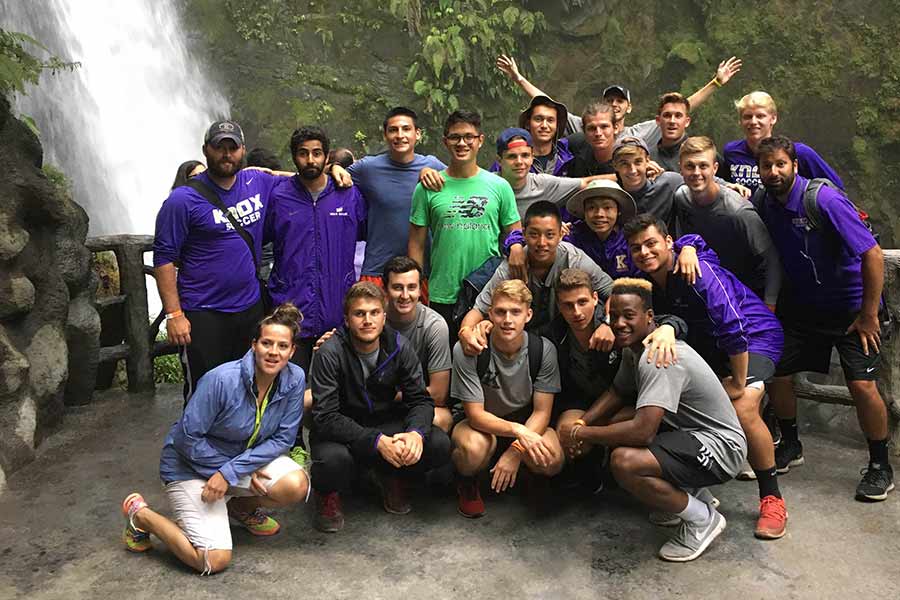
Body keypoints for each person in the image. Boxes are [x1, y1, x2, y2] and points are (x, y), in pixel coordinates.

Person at [559, 279, 748, 562]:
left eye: (629, 316)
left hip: (722, 449)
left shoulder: (656, 357)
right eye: (615, 316)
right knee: (625, 433)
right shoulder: (633, 349)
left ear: (649, 318)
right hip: (691, 436)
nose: (620, 323)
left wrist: (584, 436)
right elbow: (617, 392)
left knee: (625, 461)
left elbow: (642, 433)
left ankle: (701, 519)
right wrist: (582, 424)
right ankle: (697, 497)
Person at [624, 214, 788, 539]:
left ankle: (772, 498)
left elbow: (734, 327)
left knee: (743, 408)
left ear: (668, 242)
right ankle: (693, 490)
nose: (644, 252)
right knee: (674, 402)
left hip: (753, 339)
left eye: (651, 243)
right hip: (711, 349)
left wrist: (739, 383)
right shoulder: (644, 281)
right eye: (636, 247)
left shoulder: (696, 270)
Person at [120, 304, 309, 574]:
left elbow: (283, 439)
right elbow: (187, 439)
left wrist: (231, 471)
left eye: (282, 346)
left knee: (295, 484)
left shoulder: (294, 378)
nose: (273, 352)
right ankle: (141, 516)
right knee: (212, 560)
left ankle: (240, 509)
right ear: (254, 344)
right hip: (188, 466)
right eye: (267, 343)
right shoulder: (221, 380)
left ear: (292, 351)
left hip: (235, 462)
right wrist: (223, 471)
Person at [754, 135, 893, 501]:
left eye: (781, 164)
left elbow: (873, 255)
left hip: (851, 310)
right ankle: (792, 443)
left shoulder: (823, 199)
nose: (774, 172)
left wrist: (868, 314)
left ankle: (880, 465)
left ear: (795, 166)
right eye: (766, 166)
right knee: (777, 371)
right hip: (805, 309)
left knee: (862, 385)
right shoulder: (765, 203)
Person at [309, 282, 451, 532]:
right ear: (347, 319)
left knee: (437, 443)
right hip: (342, 427)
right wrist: (376, 441)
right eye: (359, 313)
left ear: (384, 316)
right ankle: (328, 494)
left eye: (374, 313)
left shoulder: (399, 346)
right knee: (332, 462)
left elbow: (420, 399)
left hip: (384, 420)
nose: (367, 320)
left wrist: (415, 433)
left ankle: (390, 475)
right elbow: (326, 417)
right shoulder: (329, 352)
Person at [154, 120, 278, 401]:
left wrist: (335, 168)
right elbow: (163, 259)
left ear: (242, 150)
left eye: (232, 147)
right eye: (219, 147)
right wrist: (174, 315)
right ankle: (197, 444)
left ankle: (242, 444)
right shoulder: (182, 200)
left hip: (249, 308)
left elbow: (296, 179)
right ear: (205, 150)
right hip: (203, 313)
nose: (226, 154)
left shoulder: (256, 181)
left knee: (249, 384)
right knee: (205, 390)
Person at [548, 268, 685, 482]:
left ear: (595, 299)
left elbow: (663, 320)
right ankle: (591, 473)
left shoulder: (615, 321)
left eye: (582, 302)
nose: (576, 312)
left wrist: (669, 327)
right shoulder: (555, 332)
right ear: (559, 306)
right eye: (568, 305)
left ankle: (619, 468)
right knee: (568, 436)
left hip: (624, 400)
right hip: (583, 399)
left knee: (606, 426)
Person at [450, 280, 564, 518]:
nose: (507, 320)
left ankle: (530, 478)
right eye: (500, 312)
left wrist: (515, 450)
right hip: (482, 424)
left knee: (551, 457)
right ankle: (467, 483)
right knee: (473, 449)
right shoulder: (470, 349)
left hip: (524, 417)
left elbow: (542, 412)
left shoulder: (543, 350)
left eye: (515, 312)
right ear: (490, 313)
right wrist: (518, 433)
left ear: (528, 315)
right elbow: (475, 415)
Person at [408, 109, 524, 341]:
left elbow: (515, 232)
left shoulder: (499, 186)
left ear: (480, 141)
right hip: (441, 292)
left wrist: (516, 249)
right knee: (442, 364)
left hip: (487, 290)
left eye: (469, 137)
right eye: (455, 137)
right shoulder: (427, 187)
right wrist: (414, 288)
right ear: (445, 142)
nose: (462, 143)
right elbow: (416, 244)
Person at [265, 125, 367, 374]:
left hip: (336, 309)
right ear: (293, 156)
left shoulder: (349, 195)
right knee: (289, 386)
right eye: (303, 153)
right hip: (291, 309)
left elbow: (365, 236)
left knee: (334, 388)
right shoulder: (278, 197)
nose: (310, 160)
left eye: (317, 153)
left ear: (327, 156)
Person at [458, 201, 614, 347]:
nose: (542, 243)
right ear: (524, 234)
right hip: (522, 341)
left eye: (550, 235)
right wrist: (465, 332)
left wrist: (608, 323)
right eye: (534, 235)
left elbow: (614, 292)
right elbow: (479, 309)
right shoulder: (512, 266)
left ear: (561, 234)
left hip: (566, 337)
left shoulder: (574, 259)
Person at [496, 54, 743, 139]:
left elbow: (680, 108)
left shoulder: (640, 133)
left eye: (619, 101)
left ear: (629, 107)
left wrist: (715, 83)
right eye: (610, 101)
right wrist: (519, 79)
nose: (614, 104)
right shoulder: (585, 127)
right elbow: (548, 105)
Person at [673, 136, 783, 306]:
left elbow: (771, 260)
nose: (696, 172)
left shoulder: (738, 210)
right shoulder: (681, 198)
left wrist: (770, 305)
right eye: (689, 166)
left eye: (703, 166)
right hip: (709, 291)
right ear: (680, 168)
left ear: (715, 168)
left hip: (746, 295)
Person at [349, 107, 446, 294]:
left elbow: (463, 181)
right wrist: (336, 168)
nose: (400, 135)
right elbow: (319, 181)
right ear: (385, 135)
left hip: (421, 272)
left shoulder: (433, 165)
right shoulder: (368, 168)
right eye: (393, 130)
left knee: (420, 322)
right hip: (377, 269)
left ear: (417, 134)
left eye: (406, 129)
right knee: (371, 322)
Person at [382, 256, 453, 432]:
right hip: (370, 403)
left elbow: (438, 394)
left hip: (415, 401)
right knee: (309, 400)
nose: (405, 296)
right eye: (397, 288)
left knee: (442, 418)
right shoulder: (373, 317)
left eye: (411, 287)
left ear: (421, 289)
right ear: (385, 289)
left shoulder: (434, 325)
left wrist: (387, 397)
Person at [721, 91, 844, 192]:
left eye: (760, 116)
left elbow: (836, 188)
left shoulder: (799, 153)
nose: (753, 122)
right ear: (740, 121)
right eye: (747, 116)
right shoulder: (732, 152)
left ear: (773, 118)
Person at [566, 179, 641, 278]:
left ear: (618, 211)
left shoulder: (631, 238)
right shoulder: (572, 238)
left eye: (607, 208)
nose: (599, 214)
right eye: (591, 208)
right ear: (584, 211)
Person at [488, 95, 573, 176]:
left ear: (557, 125)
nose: (544, 125)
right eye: (538, 119)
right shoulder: (509, 159)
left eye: (550, 120)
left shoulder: (568, 153)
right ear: (528, 124)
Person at [566, 103, 620, 178]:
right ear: (584, 130)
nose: (598, 133)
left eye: (604, 127)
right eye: (592, 128)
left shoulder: (627, 156)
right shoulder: (575, 144)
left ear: (615, 128)